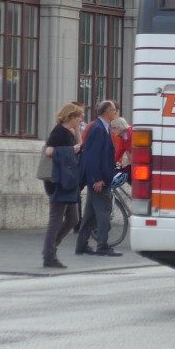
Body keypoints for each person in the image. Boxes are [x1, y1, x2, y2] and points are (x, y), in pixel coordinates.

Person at [74, 99, 121, 258]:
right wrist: (96, 179)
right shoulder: (98, 129)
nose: (116, 112)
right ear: (107, 112)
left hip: (99, 178)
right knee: (104, 212)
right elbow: (92, 156)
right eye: (114, 110)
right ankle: (102, 245)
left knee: (90, 214)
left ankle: (81, 244)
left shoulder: (103, 128)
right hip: (99, 180)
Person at [41, 102, 83, 268]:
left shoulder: (69, 131)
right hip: (58, 181)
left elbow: (80, 148)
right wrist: (71, 150)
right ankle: (49, 255)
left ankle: (49, 249)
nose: (81, 119)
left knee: (73, 219)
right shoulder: (59, 131)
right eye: (79, 116)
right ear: (71, 117)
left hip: (68, 180)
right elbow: (49, 151)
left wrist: (78, 132)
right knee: (56, 220)